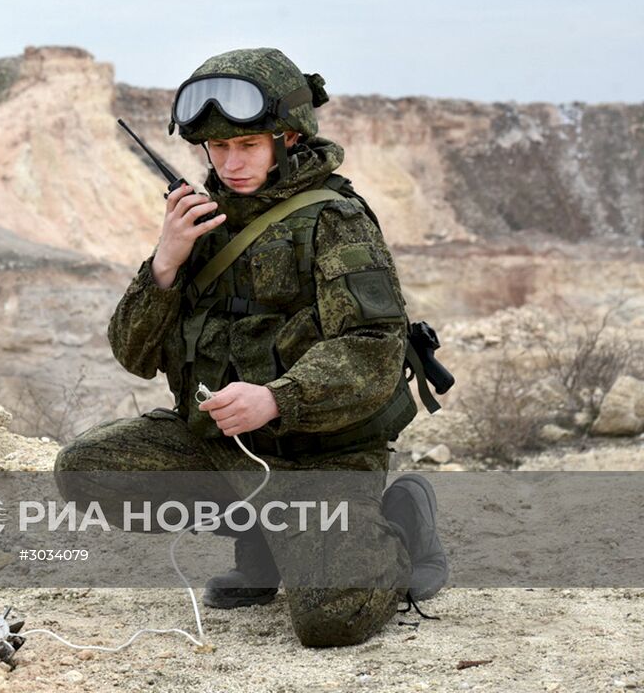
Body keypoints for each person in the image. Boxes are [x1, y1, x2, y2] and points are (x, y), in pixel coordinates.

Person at [54, 47, 448, 648]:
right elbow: (133, 356)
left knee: (329, 622)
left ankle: (399, 524)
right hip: (230, 450)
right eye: (217, 149)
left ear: (287, 138)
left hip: (323, 455)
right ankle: (265, 538)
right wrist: (164, 264)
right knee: (89, 470)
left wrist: (277, 399)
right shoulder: (200, 224)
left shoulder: (333, 220)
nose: (230, 163)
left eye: (247, 146)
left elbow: (372, 348)